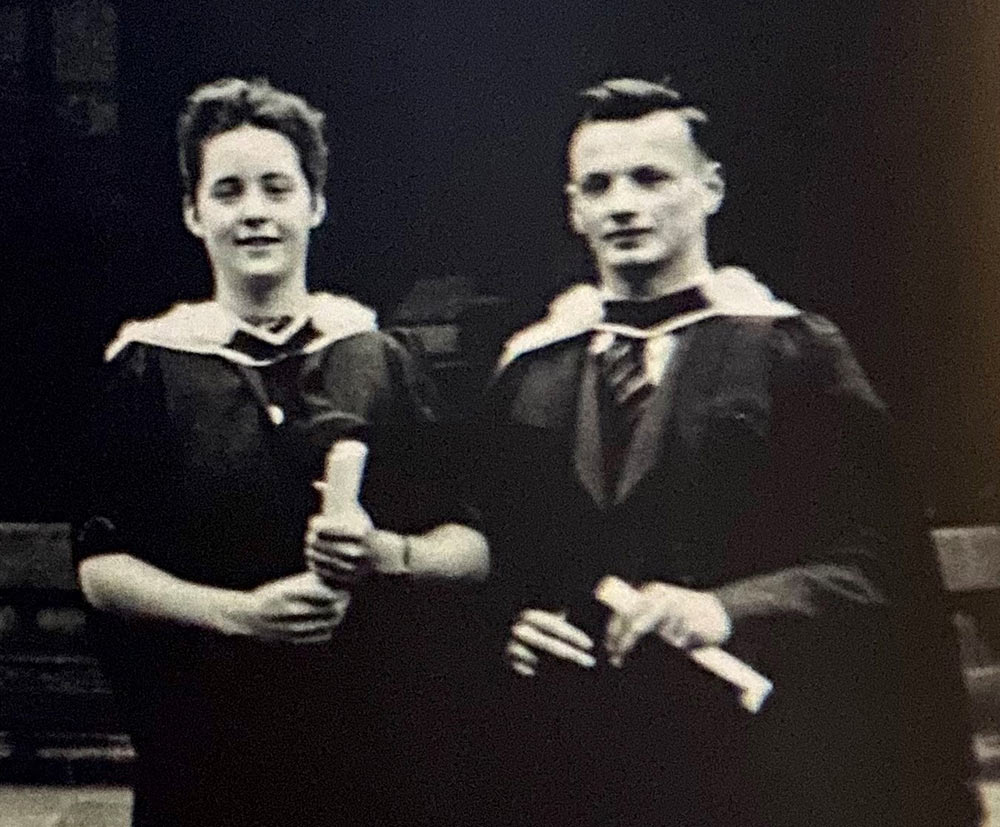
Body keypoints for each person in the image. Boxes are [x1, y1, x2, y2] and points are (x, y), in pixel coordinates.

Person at [481, 77, 980, 827]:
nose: (623, 204)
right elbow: (497, 553)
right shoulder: (531, 371)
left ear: (709, 188)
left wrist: (725, 607)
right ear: (573, 208)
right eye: (599, 184)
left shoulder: (791, 352)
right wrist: (513, 624)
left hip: (756, 760)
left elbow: (881, 566)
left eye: (651, 177)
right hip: (576, 763)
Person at [74, 77, 488, 827]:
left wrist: (389, 552)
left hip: (366, 755)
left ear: (315, 204)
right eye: (228, 191)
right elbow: (103, 567)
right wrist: (238, 615)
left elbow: (471, 545)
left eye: (277, 187)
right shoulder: (149, 367)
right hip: (205, 750)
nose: (255, 212)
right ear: (194, 213)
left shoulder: (380, 359)